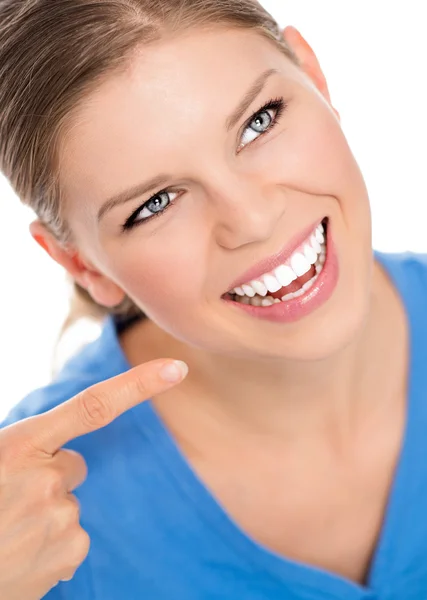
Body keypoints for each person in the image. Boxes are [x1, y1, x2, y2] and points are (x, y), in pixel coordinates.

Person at [0, 0, 425, 598]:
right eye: (156, 203)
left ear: (315, 74)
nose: (251, 218)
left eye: (259, 121)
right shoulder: (21, 523)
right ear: (80, 263)